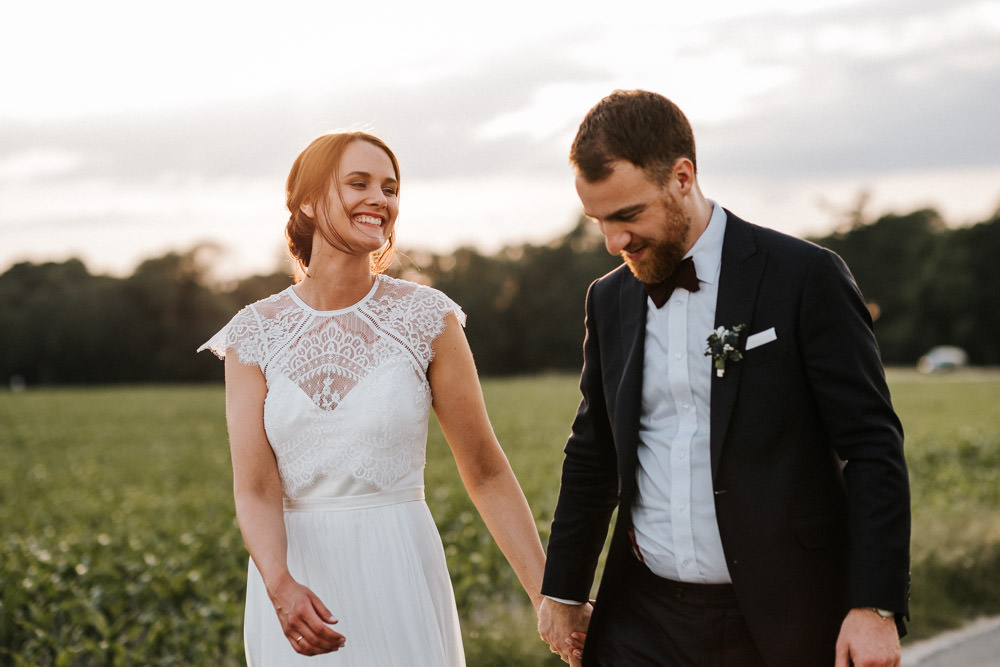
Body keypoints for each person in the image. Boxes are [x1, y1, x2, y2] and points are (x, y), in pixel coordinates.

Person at [536, 90, 910, 666]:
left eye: (628, 215)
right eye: (599, 222)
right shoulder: (608, 299)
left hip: (783, 617)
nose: (614, 242)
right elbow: (592, 453)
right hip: (643, 621)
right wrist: (562, 589)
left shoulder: (805, 277)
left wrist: (874, 606)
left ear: (682, 177)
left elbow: (871, 447)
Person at [199, 131, 545, 666]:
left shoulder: (429, 318)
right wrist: (279, 585)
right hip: (297, 590)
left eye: (390, 187)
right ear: (308, 202)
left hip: (399, 565)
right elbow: (256, 487)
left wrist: (549, 598)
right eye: (358, 183)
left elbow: (486, 471)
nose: (380, 200)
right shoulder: (254, 334)